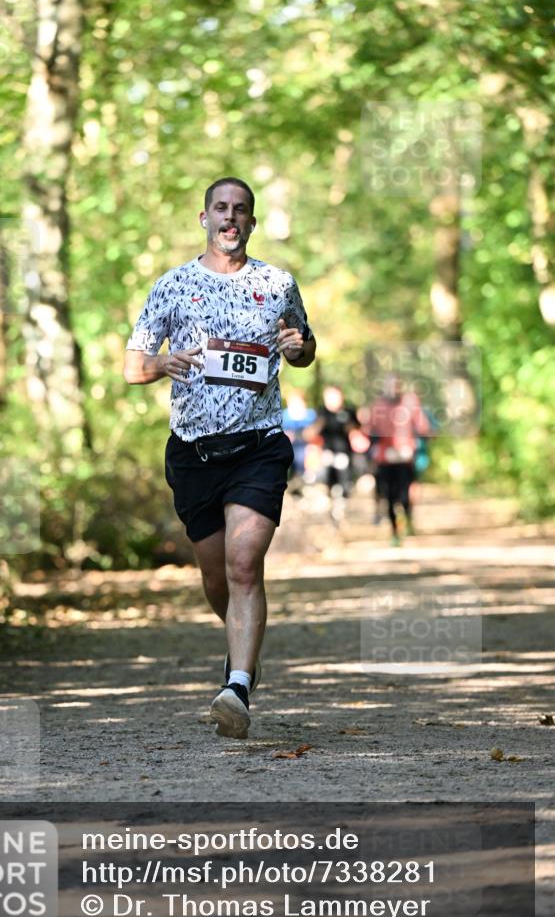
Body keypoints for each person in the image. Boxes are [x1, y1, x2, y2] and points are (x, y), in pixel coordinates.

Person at [123, 177, 316, 739]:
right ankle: (241, 645)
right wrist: (163, 364)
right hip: (193, 453)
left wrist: (299, 349)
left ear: (252, 222)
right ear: (204, 218)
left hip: (258, 446)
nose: (231, 218)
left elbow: (304, 347)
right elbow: (133, 366)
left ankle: (237, 686)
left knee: (243, 563)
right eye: (221, 209)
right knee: (217, 577)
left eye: (241, 210)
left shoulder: (277, 284)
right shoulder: (173, 285)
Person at [364, 376, 430, 546]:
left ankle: (407, 518)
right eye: (390, 385)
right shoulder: (378, 405)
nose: (394, 389)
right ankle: (394, 531)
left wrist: (419, 438)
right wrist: (372, 443)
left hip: (405, 457)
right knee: (389, 496)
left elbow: (422, 426)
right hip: (385, 458)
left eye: (397, 385)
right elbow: (370, 429)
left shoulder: (410, 402)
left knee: (404, 495)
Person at [315, 384, 360, 524]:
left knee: (345, 484)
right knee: (327, 482)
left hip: (344, 454)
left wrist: (349, 424)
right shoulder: (321, 413)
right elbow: (311, 433)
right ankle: (331, 507)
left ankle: (341, 508)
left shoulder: (349, 412)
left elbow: (357, 433)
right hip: (327, 453)